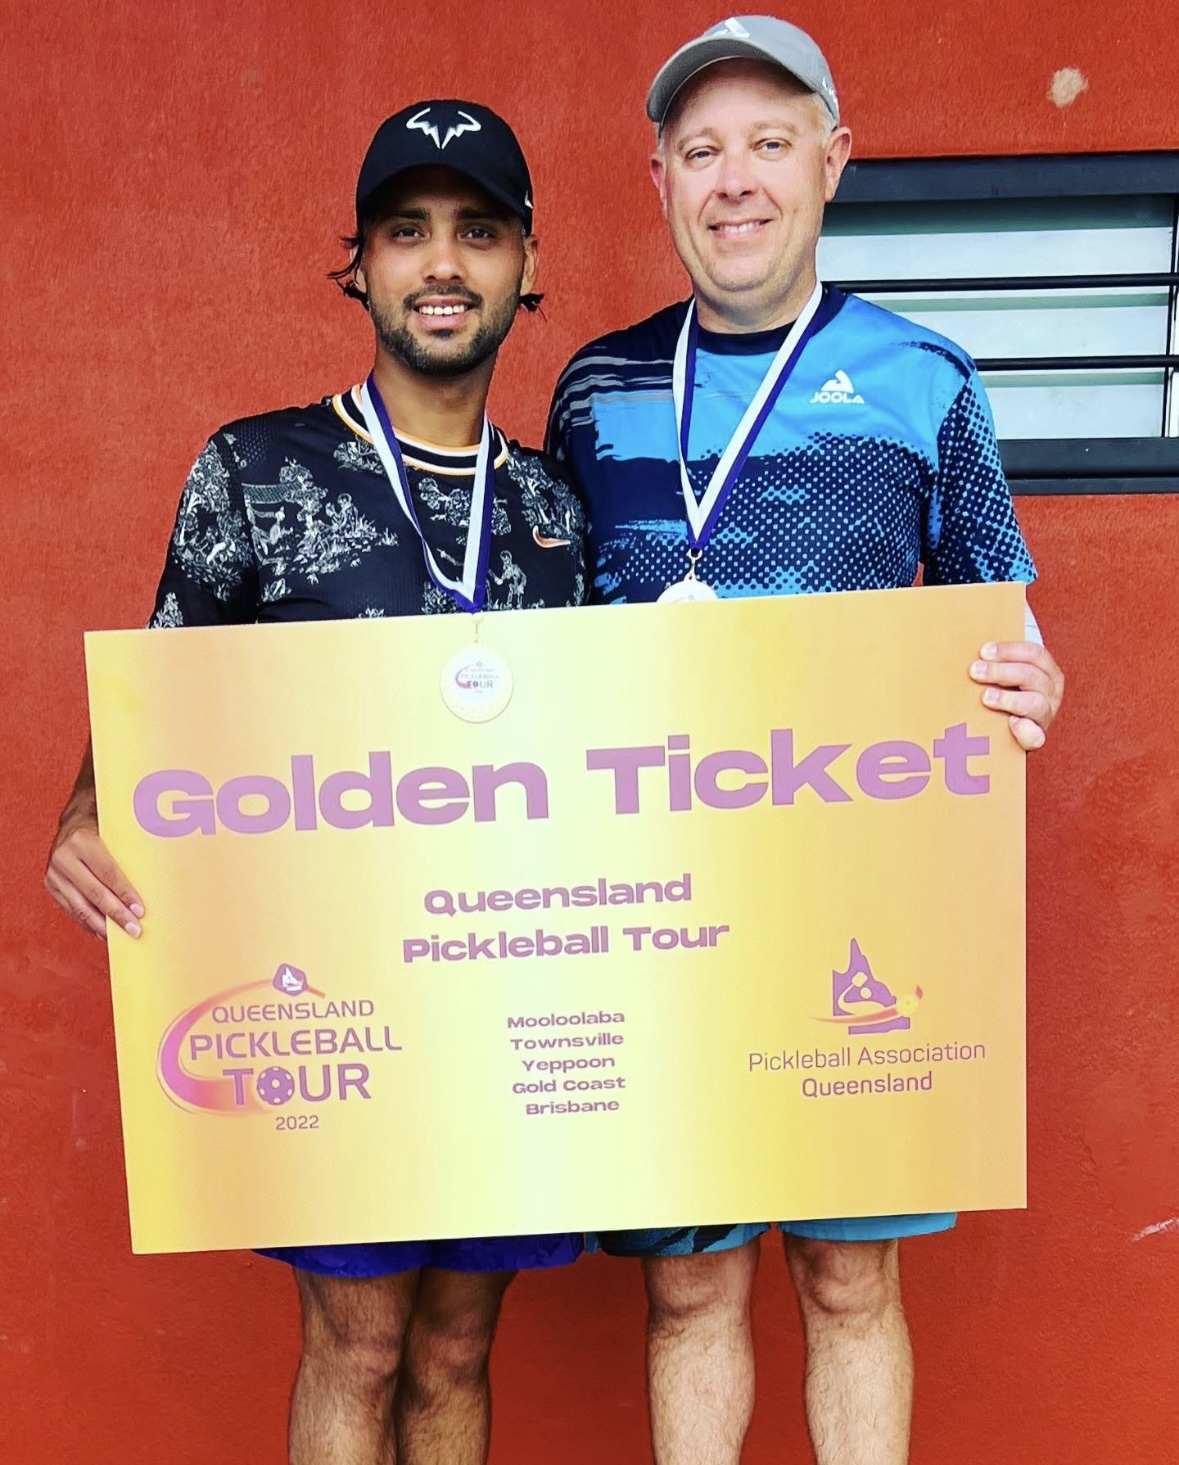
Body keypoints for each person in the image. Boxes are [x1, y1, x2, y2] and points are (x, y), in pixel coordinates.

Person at [546, 17, 1064, 1465]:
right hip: (660, 910)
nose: (736, 181)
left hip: (863, 911)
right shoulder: (593, 389)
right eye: (701, 152)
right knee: (690, 1282)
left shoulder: (927, 377)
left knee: (849, 1276)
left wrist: (1032, 686)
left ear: (832, 160)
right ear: (658, 179)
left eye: (770, 142)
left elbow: (995, 619)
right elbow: (547, 637)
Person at [45, 100, 586, 1465]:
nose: (444, 263)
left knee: (459, 1345)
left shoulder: (558, 511)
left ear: (529, 262)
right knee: (357, 1341)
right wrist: (85, 811)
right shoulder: (256, 468)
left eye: (479, 230)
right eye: (409, 233)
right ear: (360, 264)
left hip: (507, 990)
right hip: (331, 996)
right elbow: (169, 685)